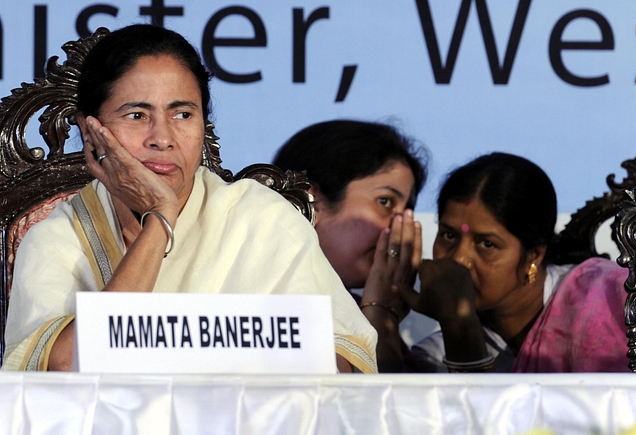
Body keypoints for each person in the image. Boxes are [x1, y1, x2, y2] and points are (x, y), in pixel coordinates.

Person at [2, 25, 377, 373]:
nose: (162, 138)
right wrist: (160, 219)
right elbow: (62, 372)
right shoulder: (57, 240)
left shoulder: (261, 220)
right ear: (90, 130)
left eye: (183, 114)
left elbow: (345, 362)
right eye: (136, 115)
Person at [400, 152, 628, 372]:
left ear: (534, 256)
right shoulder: (435, 356)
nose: (460, 259)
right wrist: (383, 313)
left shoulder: (613, 297)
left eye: (487, 244)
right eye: (449, 236)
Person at [273, 120, 428, 372]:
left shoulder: (356, 309)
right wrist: (380, 317)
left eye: (407, 211)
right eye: (385, 201)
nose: (401, 228)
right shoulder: (266, 307)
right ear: (310, 201)